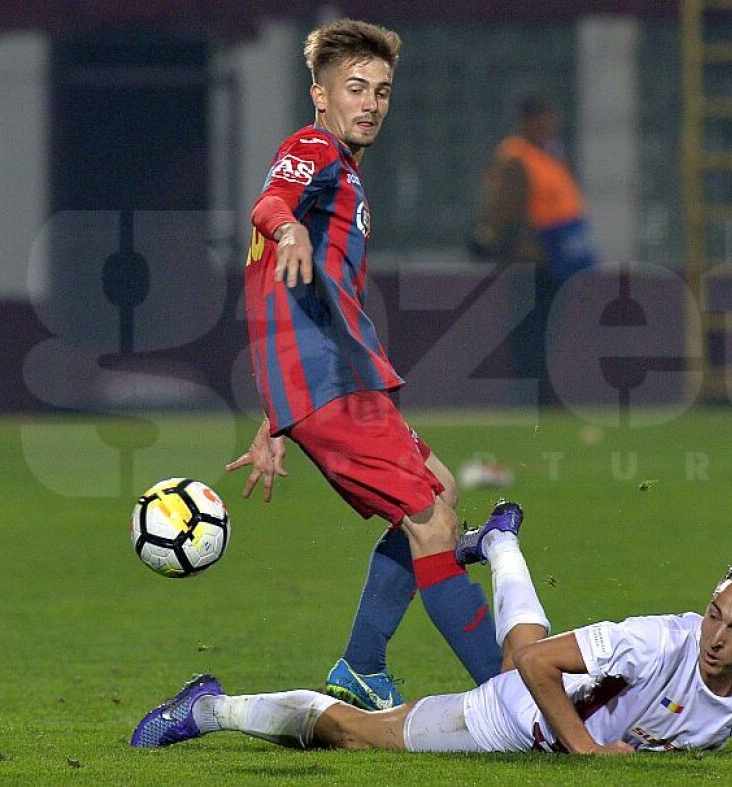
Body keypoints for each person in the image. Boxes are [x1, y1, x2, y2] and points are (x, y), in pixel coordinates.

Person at [132, 515, 732, 756]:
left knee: (521, 639)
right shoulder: (659, 641)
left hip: (557, 690)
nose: (717, 634)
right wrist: (581, 747)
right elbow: (537, 666)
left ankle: (500, 541)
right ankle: (209, 708)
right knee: (354, 731)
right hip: (520, 718)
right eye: (715, 613)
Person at [225, 18, 502, 712]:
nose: (371, 102)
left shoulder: (340, 171)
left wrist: (275, 417)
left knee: (439, 491)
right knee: (431, 522)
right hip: (331, 384)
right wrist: (286, 226)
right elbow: (268, 206)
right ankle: (510, 692)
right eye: (355, 87)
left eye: (381, 90)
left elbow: (284, 299)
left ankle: (362, 665)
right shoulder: (311, 147)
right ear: (319, 94)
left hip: (334, 379)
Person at [469, 95, 600, 406]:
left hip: (554, 259)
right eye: (541, 118)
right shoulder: (516, 158)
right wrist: (489, 239)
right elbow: (503, 208)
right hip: (530, 259)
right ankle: (533, 399)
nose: (548, 125)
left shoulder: (548, 155)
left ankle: (541, 397)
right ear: (527, 121)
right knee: (531, 332)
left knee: (543, 330)